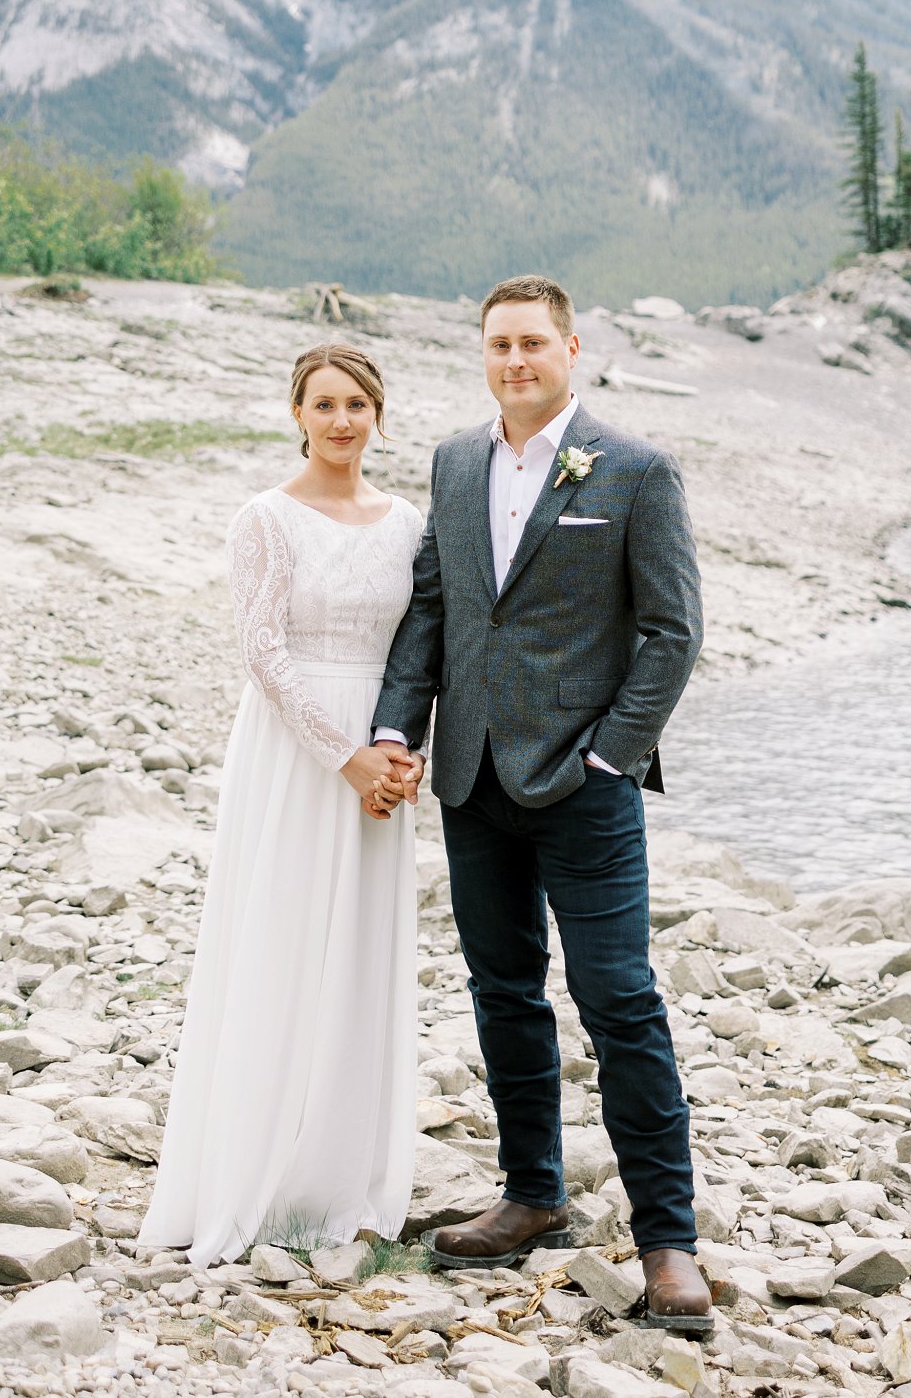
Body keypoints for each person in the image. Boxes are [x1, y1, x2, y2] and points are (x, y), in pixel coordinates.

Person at [373, 275, 711, 1334]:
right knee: (501, 988)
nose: (513, 360)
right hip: (472, 775)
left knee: (617, 999)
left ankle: (668, 1245)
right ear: (483, 355)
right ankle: (531, 1195)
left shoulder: (636, 470)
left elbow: (670, 631)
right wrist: (398, 727)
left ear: (571, 349)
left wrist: (613, 758)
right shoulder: (452, 461)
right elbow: (434, 604)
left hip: (584, 786)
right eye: (497, 345)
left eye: (531, 343)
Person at [140, 343, 423, 1265]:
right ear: (297, 413)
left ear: (379, 414)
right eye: (325, 404)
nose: (342, 421)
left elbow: (423, 647)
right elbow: (261, 652)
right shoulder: (265, 518)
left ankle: (342, 1177)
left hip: (383, 750)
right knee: (282, 942)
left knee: (360, 958)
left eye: (357, 405)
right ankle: (250, 1176)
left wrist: (397, 750)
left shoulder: (408, 522)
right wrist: (340, 755)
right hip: (295, 752)